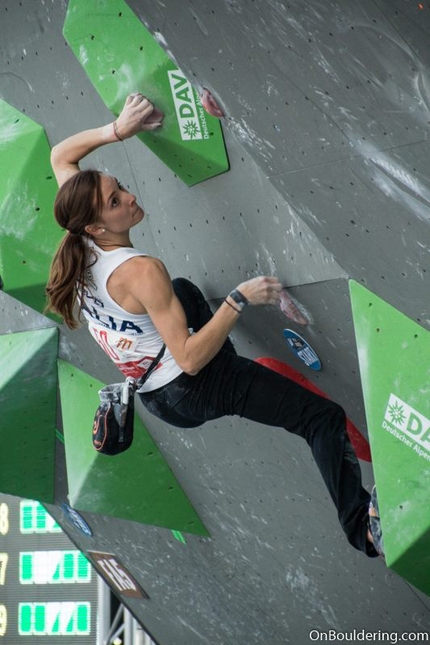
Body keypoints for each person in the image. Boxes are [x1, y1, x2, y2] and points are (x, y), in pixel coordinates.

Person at [46, 93, 383, 558]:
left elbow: (60, 156)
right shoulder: (140, 271)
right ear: (98, 227)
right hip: (193, 385)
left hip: (155, 394)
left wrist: (117, 130)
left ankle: (249, 378)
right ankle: (363, 532)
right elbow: (188, 357)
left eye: (120, 185)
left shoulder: (78, 236)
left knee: (182, 291)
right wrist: (239, 300)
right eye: (116, 200)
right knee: (319, 419)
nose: (130, 196)